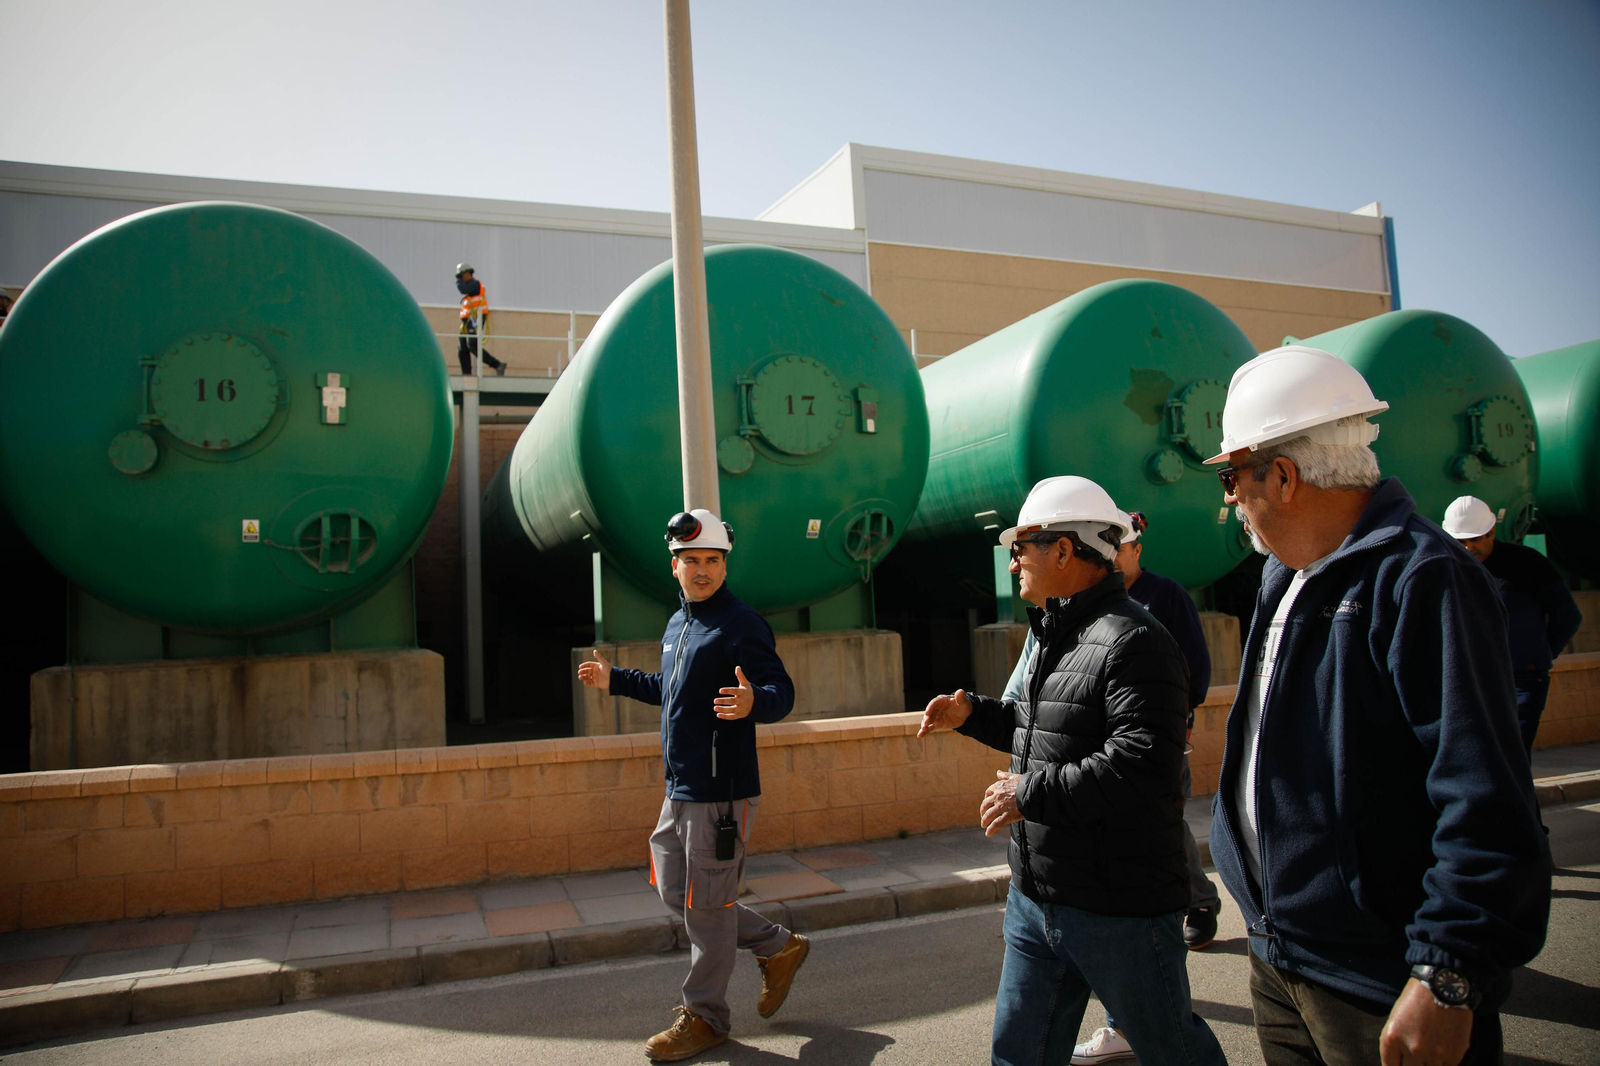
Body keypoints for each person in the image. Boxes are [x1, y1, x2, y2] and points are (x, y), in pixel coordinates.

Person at [1205, 345, 1550, 1066]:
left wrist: (1446, 973)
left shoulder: (1425, 581)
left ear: (1287, 476)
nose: (1228, 499)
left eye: (1234, 476)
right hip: (1280, 957)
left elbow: (1486, 800)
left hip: (1379, 978)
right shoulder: (1283, 577)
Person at [919, 476, 1226, 1066]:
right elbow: (1044, 731)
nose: (1012, 560)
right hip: (1037, 898)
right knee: (1019, 1054)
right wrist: (972, 715)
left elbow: (1140, 763)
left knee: (1174, 1050)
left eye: (1023, 544)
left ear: (1065, 550)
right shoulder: (1056, 633)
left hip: (1120, 907)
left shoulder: (1134, 639)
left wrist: (1028, 792)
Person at [577, 508, 807, 1063]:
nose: (702, 570)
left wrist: (757, 703)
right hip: (679, 788)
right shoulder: (680, 623)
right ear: (674, 565)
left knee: (705, 907)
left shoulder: (740, 624)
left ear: (723, 565)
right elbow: (671, 688)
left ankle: (706, 1017)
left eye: (712, 560)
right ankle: (779, 946)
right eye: (691, 561)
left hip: (722, 794)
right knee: (679, 892)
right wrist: (616, 681)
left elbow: (781, 690)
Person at [1036, 510, 1221, 1065]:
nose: (1123, 555)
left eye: (1129, 547)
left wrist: (1170, 719)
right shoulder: (1060, 617)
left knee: (1159, 830)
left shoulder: (1156, 608)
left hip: (1153, 759)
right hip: (1065, 862)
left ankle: (1202, 903)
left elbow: (1193, 675)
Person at [1442, 495, 1582, 759]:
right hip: (1470, 682)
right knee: (1479, 761)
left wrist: (1536, 655)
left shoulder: (1528, 563)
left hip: (1523, 681)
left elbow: (1568, 616)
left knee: (1512, 758)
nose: (1469, 548)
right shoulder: (1446, 568)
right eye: (1461, 541)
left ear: (1492, 531)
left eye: (1476, 539)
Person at [454, 262, 506, 376]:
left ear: (467, 273)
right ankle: (466, 374)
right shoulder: (470, 290)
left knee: (472, 344)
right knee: (462, 348)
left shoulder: (475, 284)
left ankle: (497, 365)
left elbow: (462, 289)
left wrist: (458, 282)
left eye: (461, 276)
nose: (460, 279)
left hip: (476, 319)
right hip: (468, 321)